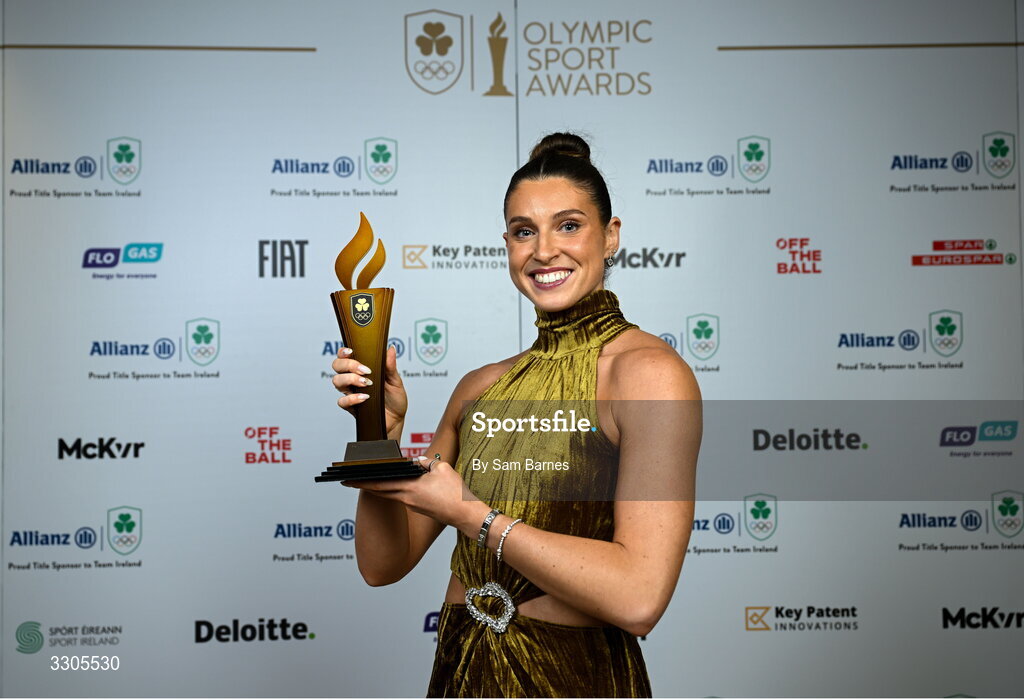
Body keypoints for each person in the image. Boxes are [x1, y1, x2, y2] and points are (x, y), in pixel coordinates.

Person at [331, 132, 702, 698]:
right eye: (524, 231)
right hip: (460, 676)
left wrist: (473, 516)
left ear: (612, 236)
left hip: (572, 681)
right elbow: (384, 563)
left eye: (569, 225)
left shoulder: (649, 374)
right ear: (507, 243)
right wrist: (378, 438)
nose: (544, 250)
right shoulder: (478, 389)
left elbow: (639, 598)